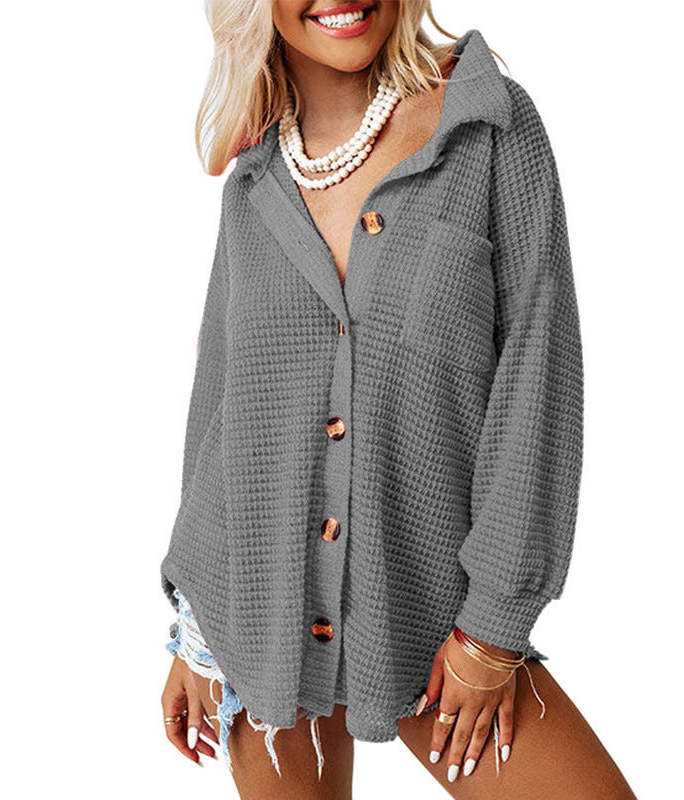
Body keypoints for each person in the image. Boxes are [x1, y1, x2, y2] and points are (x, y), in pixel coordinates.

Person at [159, 2, 637, 798]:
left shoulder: (486, 127)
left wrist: (492, 631)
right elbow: (225, 411)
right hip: (260, 621)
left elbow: (539, 381)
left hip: (435, 616)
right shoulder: (255, 176)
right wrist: (198, 629)